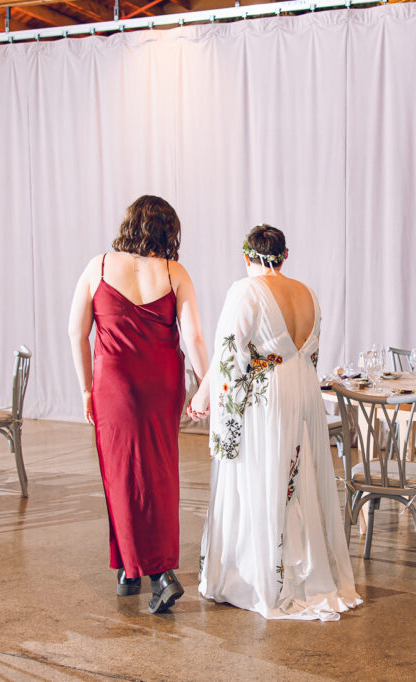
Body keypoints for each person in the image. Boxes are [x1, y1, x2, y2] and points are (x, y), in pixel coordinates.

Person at [189, 225, 361, 621]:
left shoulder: (245, 292)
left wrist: (210, 406)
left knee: (259, 477)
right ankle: (305, 571)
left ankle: (263, 578)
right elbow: (311, 355)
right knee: (298, 480)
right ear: (285, 256)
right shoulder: (309, 295)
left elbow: (229, 357)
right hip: (303, 392)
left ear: (246, 256)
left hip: (266, 400)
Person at [68, 195, 209, 614]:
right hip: (162, 388)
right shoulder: (173, 271)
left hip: (114, 385)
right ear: (168, 231)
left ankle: (159, 574)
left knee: (121, 477)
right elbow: (195, 339)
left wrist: (85, 391)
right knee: (159, 476)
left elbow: (76, 333)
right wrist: (207, 386)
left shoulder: (99, 267)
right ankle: (131, 569)